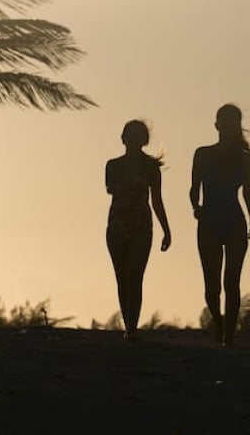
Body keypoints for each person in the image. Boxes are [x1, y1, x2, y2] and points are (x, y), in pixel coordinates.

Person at [191, 104, 250, 345]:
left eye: (232, 122)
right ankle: (218, 324)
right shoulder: (202, 154)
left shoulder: (244, 159)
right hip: (209, 219)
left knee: (232, 280)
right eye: (224, 121)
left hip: (234, 219)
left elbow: (248, 191)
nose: (227, 126)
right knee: (211, 285)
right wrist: (196, 206)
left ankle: (229, 334)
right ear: (216, 124)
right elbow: (194, 187)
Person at [105, 120, 171, 341]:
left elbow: (157, 201)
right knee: (122, 278)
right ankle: (128, 324)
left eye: (137, 135)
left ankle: (132, 328)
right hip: (117, 224)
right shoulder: (113, 165)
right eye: (129, 135)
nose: (132, 139)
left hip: (141, 225)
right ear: (123, 138)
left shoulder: (151, 168)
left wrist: (166, 230)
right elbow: (110, 188)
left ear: (143, 140)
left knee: (135, 276)